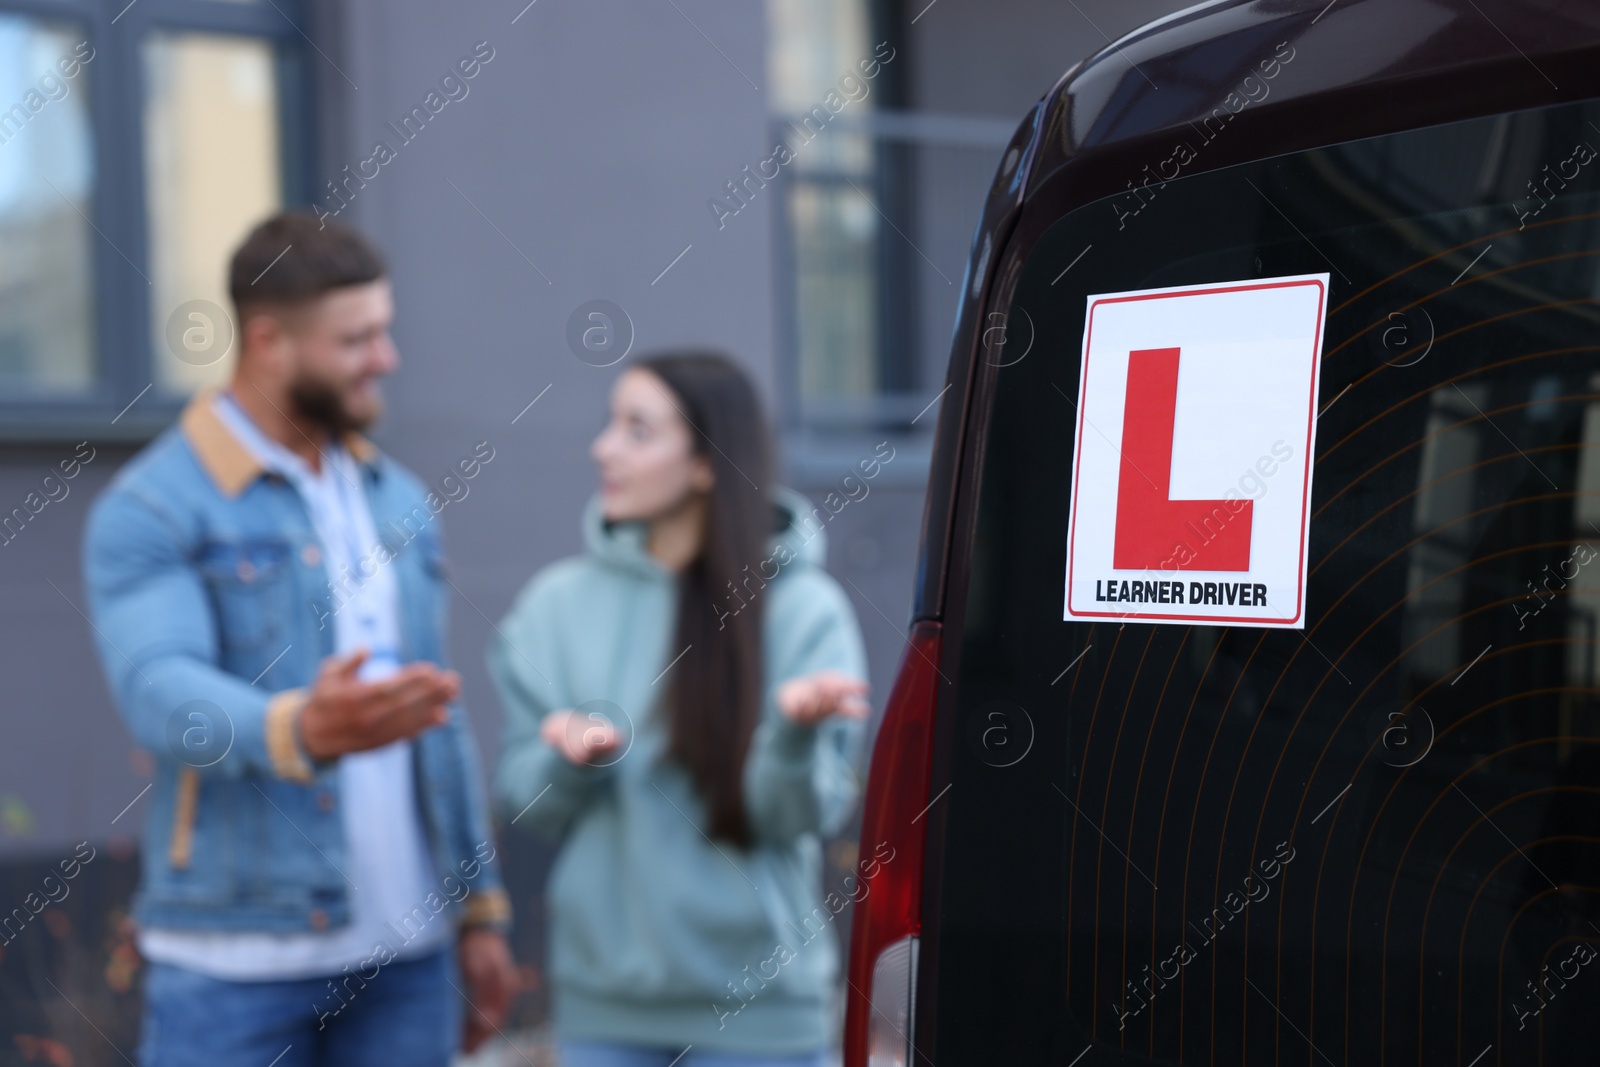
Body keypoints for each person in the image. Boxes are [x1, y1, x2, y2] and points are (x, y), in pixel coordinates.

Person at [82, 213, 516, 1067]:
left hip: (409, 959)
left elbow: (439, 715)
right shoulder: (154, 505)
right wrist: (299, 729)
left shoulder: (399, 500)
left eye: (384, 331)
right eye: (356, 339)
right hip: (232, 965)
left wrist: (480, 909)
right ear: (268, 340)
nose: (385, 358)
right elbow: (159, 689)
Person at [489, 353, 871, 1066]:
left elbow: (806, 815)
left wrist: (790, 738)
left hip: (761, 1017)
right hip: (605, 1011)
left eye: (637, 430)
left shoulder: (802, 609)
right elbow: (527, 800)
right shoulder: (554, 607)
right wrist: (568, 760)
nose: (603, 447)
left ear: (705, 463)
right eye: (610, 424)